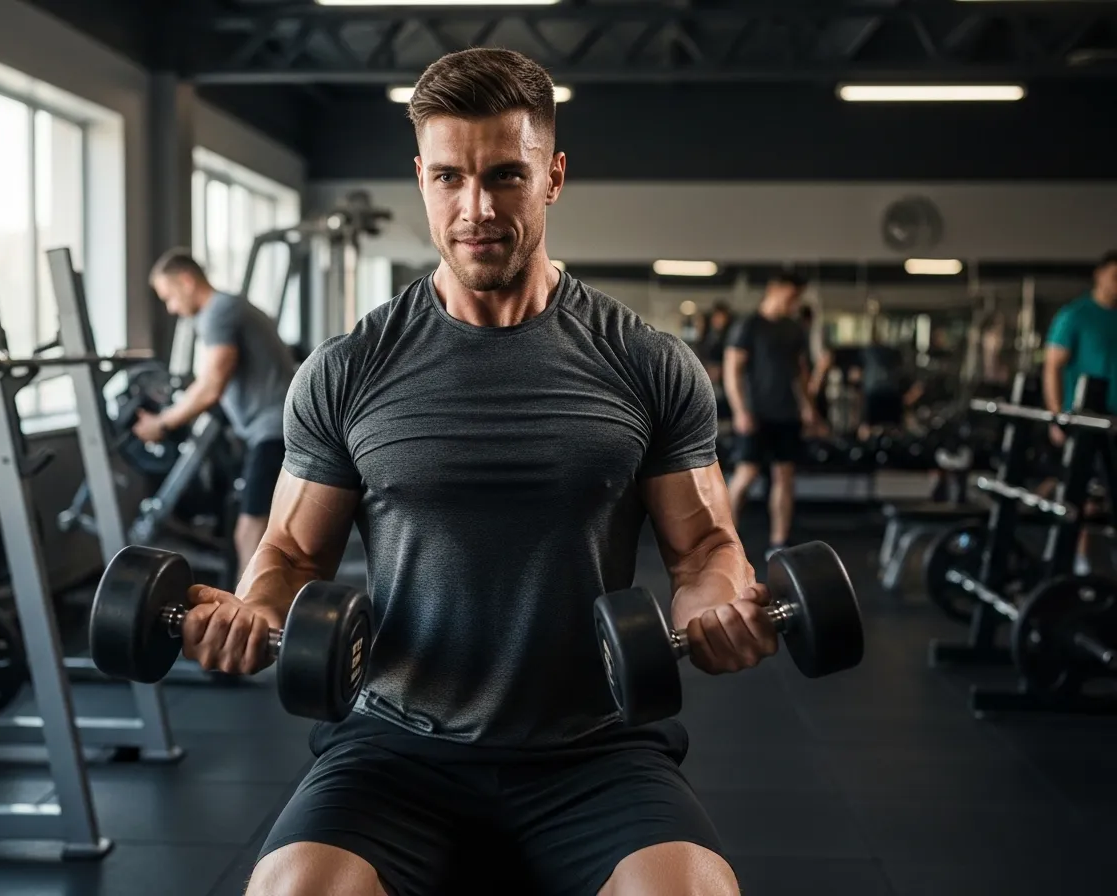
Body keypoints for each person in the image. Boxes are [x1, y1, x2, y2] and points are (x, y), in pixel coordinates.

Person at [182, 48, 776, 896]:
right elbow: (290, 555)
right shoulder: (348, 368)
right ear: (420, 178)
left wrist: (719, 608)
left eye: (506, 175)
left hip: (593, 747)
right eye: (450, 178)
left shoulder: (648, 363)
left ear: (554, 176)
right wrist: (249, 614)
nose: (477, 208)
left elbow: (704, 549)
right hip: (395, 744)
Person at [137, 251, 296, 579]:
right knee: (260, 530)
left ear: (185, 281)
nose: (170, 308)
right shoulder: (229, 307)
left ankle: (249, 620)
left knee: (251, 531)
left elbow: (211, 385)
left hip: (272, 432)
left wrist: (162, 422)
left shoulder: (218, 312)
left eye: (169, 297)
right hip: (272, 428)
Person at [723, 274, 820, 558]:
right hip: (755, 414)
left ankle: (779, 542)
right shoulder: (749, 326)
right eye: (790, 296)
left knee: (784, 475)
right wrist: (740, 410)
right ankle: (722, 540)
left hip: (786, 413)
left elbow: (800, 373)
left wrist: (808, 407)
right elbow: (733, 371)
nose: (793, 302)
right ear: (773, 290)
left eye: (797, 298)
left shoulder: (793, 329)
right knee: (746, 474)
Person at [1040, 251, 1117, 572]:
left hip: (1115, 423)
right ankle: (1077, 563)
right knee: (1081, 496)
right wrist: (1057, 416)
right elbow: (1053, 367)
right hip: (1084, 420)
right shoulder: (1075, 315)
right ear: (1099, 275)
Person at [697, 300, 734, 423]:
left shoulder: (731, 337)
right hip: (708, 380)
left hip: (724, 381)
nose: (719, 320)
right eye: (716, 317)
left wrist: (722, 369)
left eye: (722, 317)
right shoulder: (707, 336)